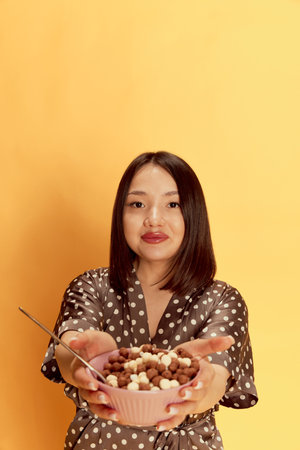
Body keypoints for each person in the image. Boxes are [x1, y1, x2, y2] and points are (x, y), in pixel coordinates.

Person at [42, 151, 258, 449]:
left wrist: (197, 388)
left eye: (172, 204)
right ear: (121, 214)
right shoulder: (90, 286)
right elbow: (68, 352)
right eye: (138, 204)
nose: (153, 219)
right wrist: (81, 361)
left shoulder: (222, 299)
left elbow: (215, 383)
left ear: (193, 214)